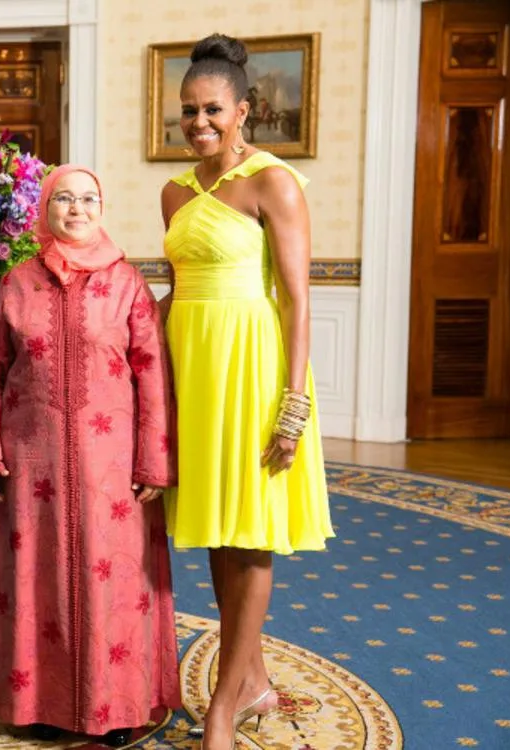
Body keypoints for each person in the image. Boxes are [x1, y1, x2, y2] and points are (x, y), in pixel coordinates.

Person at [0, 165, 182, 745]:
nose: (76, 209)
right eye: (63, 198)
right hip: (31, 468)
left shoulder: (127, 283)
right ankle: (35, 704)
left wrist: (154, 462)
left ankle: (117, 708)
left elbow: (153, 375)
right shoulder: (17, 284)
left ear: (102, 208)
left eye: (88, 199)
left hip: (113, 472)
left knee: (111, 586)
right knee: (36, 584)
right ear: (45, 209)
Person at [158, 34, 334, 750]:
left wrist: (293, 406)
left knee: (252, 537)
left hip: (253, 372)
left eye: (212, 110)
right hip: (193, 370)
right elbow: (176, 293)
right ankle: (253, 679)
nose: (198, 122)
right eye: (188, 111)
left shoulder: (274, 181)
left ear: (243, 111)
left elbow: (296, 300)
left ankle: (223, 708)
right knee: (217, 532)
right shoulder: (174, 192)